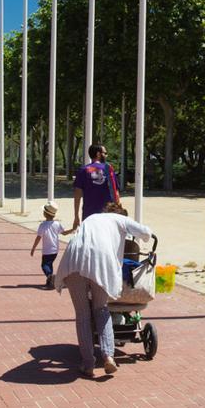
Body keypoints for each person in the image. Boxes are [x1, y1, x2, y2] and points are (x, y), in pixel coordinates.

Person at [54, 202, 152, 378]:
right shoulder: (120, 219)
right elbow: (145, 231)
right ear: (122, 214)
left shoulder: (92, 217)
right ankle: (108, 356)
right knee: (101, 309)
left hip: (74, 259)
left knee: (83, 314)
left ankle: (88, 363)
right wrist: (147, 236)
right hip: (101, 262)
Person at [72, 143, 121, 230]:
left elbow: (77, 195)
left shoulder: (83, 170)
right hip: (108, 214)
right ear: (98, 154)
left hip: (89, 215)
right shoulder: (108, 169)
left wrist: (76, 216)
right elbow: (115, 192)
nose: (106, 155)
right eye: (105, 153)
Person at [30, 203, 73, 289]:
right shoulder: (57, 224)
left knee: (44, 265)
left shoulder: (42, 225)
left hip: (47, 250)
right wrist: (72, 229)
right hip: (55, 250)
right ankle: (49, 281)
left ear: (45, 214)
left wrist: (33, 248)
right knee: (49, 264)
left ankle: (51, 277)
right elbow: (64, 233)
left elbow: (38, 238)